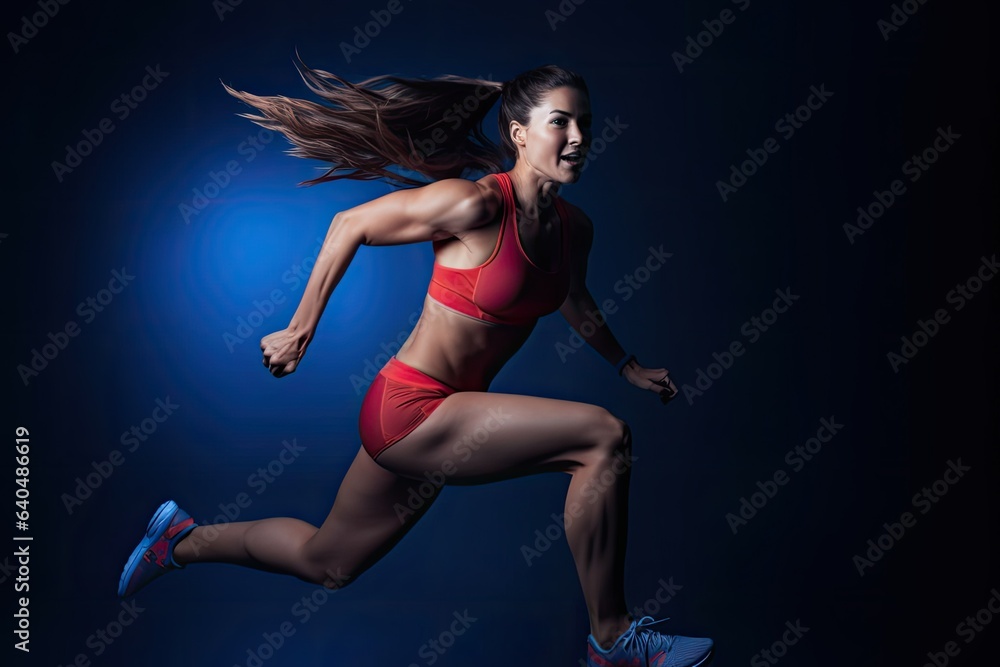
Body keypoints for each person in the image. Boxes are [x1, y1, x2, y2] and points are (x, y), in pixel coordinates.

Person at [118, 60, 714, 667]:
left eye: (585, 123)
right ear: (519, 134)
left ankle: (180, 541)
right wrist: (300, 331)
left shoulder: (572, 229)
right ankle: (612, 641)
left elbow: (571, 297)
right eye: (560, 122)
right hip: (410, 410)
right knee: (602, 439)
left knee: (327, 562)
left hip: (451, 422)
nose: (579, 137)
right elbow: (351, 223)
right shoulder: (474, 204)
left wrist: (626, 365)